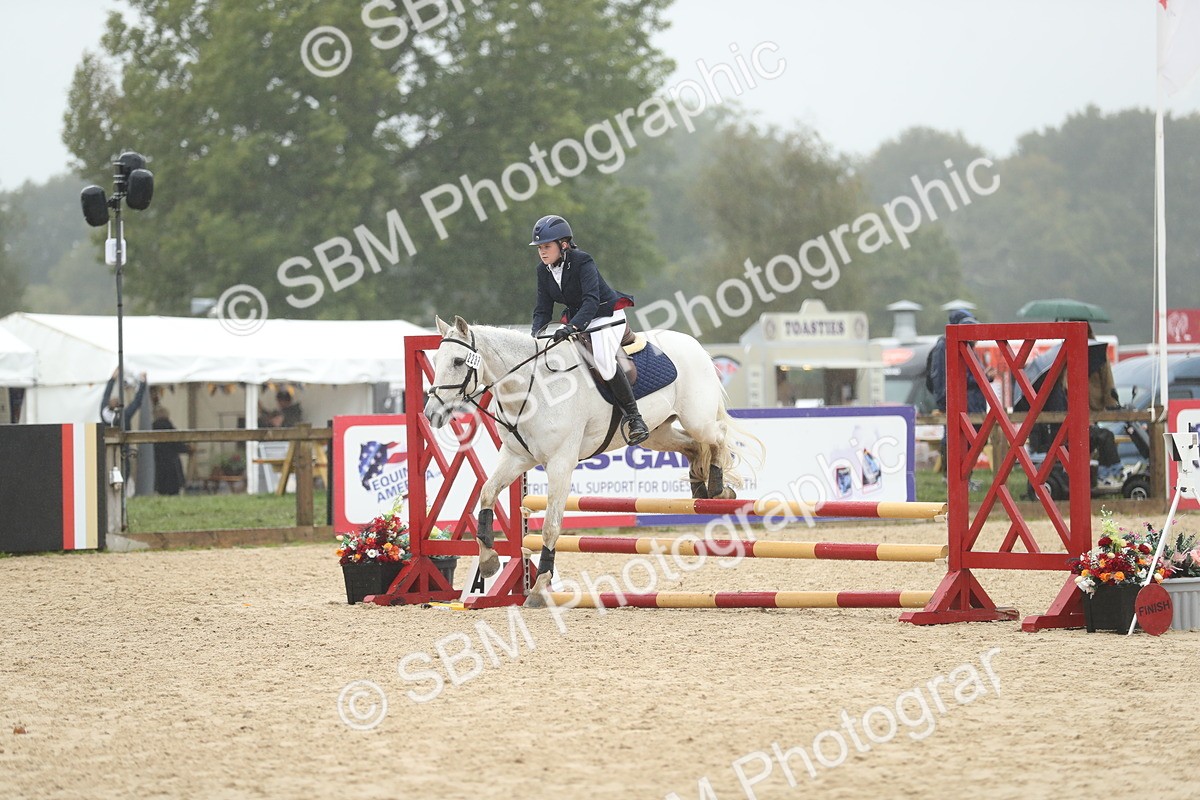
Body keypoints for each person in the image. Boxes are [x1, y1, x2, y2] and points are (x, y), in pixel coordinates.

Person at [528, 214, 649, 445]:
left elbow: (591, 301)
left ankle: (635, 418)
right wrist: (535, 335)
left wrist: (572, 327)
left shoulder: (583, 261)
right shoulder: (542, 271)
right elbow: (542, 309)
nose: (542, 252)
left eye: (546, 246)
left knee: (603, 361)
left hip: (606, 316)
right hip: (579, 318)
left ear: (563, 245)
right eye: (539, 248)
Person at [927, 310, 994, 485]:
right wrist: (946, 402)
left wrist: (984, 377)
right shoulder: (945, 346)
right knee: (956, 441)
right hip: (960, 403)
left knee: (973, 440)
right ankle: (953, 479)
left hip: (971, 403)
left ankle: (963, 478)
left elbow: (966, 375)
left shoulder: (965, 346)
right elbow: (948, 377)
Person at [1084, 323, 1123, 487]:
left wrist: (1111, 403)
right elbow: (1107, 381)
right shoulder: (1098, 353)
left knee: (1100, 437)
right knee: (1103, 437)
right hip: (1089, 405)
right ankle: (1111, 472)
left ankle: (1106, 474)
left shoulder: (1096, 353)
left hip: (1091, 405)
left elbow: (1107, 381)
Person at [151, 405, 191, 495]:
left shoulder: (151, 428)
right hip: (172, 463)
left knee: (161, 488)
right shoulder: (171, 428)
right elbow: (179, 445)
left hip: (157, 463)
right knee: (173, 489)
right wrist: (188, 449)